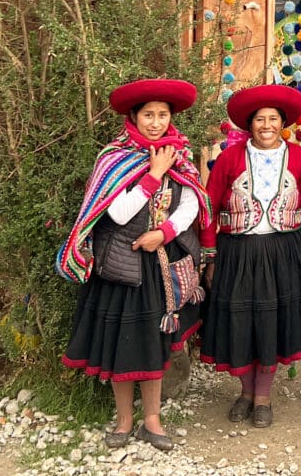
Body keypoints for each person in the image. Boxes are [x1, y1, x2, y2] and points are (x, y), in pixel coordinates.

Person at [61, 79, 211, 451]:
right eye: (148, 115)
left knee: (153, 342)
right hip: (120, 269)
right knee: (122, 343)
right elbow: (117, 210)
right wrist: (155, 173)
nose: (156, 122)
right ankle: (124, 421)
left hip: (160, 266)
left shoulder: (182, 154)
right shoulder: (114, 158)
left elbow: (191, 203)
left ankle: (152, 420)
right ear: (134, 117)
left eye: (162, 115)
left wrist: (165, 232)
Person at [200, 84, 301, 429]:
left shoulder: (298, 157)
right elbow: (209, 205)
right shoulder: (229, 158)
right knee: (241, 321)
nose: (266, 125)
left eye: (272, 119)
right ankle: (245, 392)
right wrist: (210, 256)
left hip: (282, 249)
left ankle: (264, 397)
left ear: (282, 122)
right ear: (249, 125)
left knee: (272, 320)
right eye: (259, 119)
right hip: (238, 252)